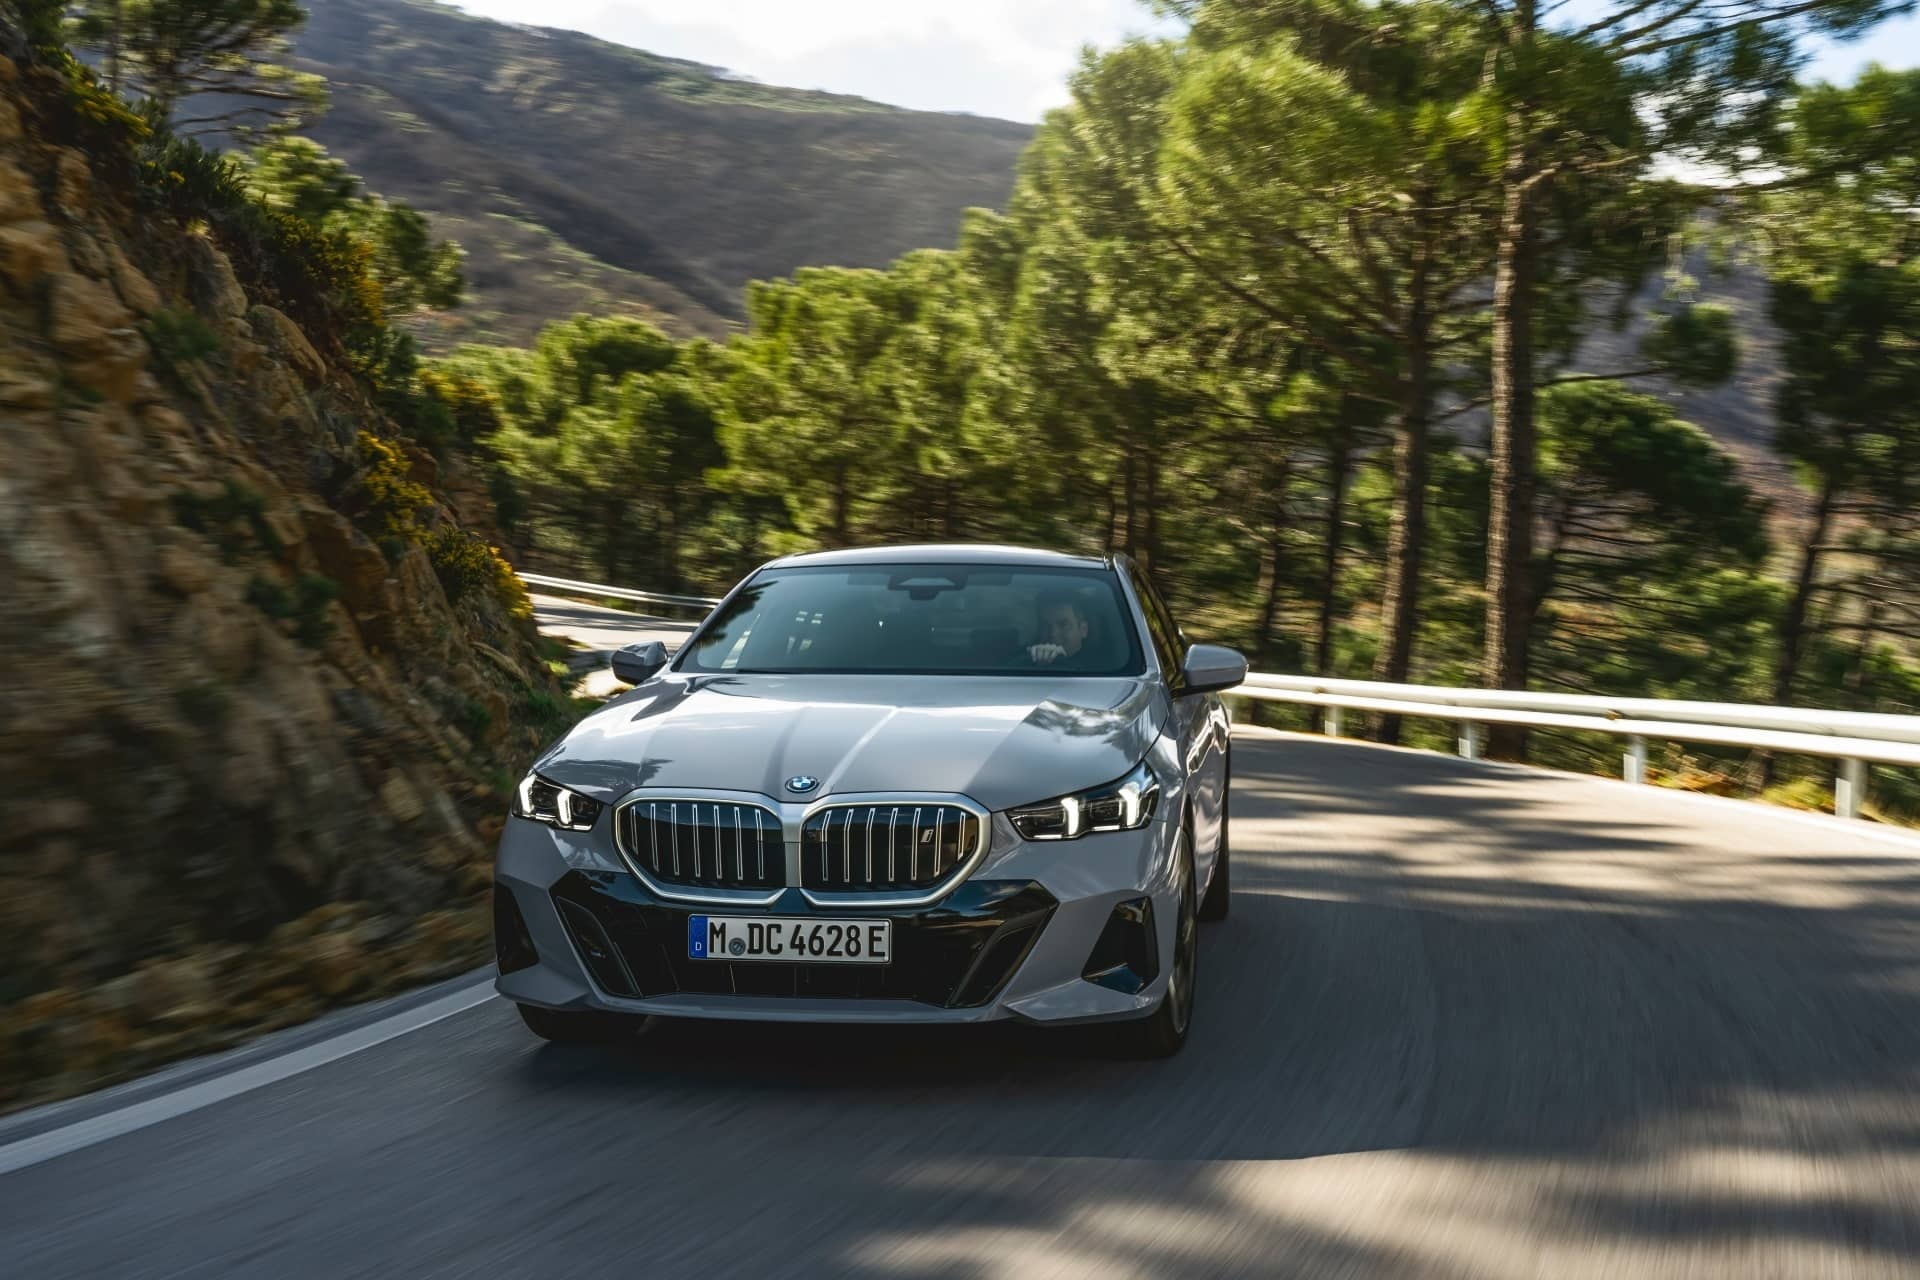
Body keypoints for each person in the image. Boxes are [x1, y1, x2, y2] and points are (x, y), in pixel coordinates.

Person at [1027, 591, 1090, 667]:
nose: (1053, 633)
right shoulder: (1024, 660)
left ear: (1083, 630)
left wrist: (1061, 662)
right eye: (1045, 625)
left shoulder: (1100, 669)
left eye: (1063, 625)